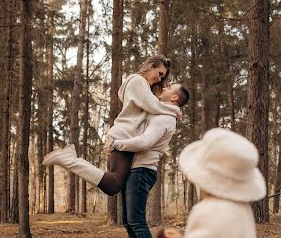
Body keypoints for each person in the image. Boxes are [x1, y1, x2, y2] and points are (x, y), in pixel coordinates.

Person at [42, 55, 180, 195]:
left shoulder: (139, 85)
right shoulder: (138, 81)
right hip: (124, 135)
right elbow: (153, 106)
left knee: (113, 184)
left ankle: (69, 158)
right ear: (151, 66)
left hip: (123, 135)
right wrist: (174, 110)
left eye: (162, 77)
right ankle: (69, 160)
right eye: (160, 74)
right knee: (113, 185)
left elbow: (152, 104)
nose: (160, 79)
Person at [115, 83, 190, 238]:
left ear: (174, 98)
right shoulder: (162, 111)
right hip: (134, 168)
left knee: (137, 221)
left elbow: (145, 142)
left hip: (142, 170)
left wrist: (117, 144)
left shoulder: (164, 117)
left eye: (169, 88)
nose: (164, 87)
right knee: (129, 221)